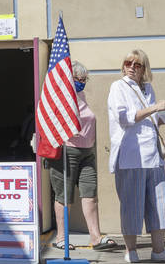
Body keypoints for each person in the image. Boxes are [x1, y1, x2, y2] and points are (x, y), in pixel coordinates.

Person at [107, 49, 165, 263]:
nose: (131, 67)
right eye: (127, 62)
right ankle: (131, 251)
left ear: (144, 68)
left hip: (153, 156)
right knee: (131, 204)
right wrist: (154, 108)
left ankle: (159, 251)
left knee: (160, 203)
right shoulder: (118, 87)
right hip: (131, 155)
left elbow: (151, 119)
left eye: (137, 64)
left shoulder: (148, 88)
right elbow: (124, 118)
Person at [48, 62, 115, 251]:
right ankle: (62, 237)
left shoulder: (81, 96)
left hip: (87, 151)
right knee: (64, 196)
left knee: (90, 193)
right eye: (79, 79)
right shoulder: (60, 97)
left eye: (85, 79)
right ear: (69, 78)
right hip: (66, 150)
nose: (82, 82)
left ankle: (95, 237)